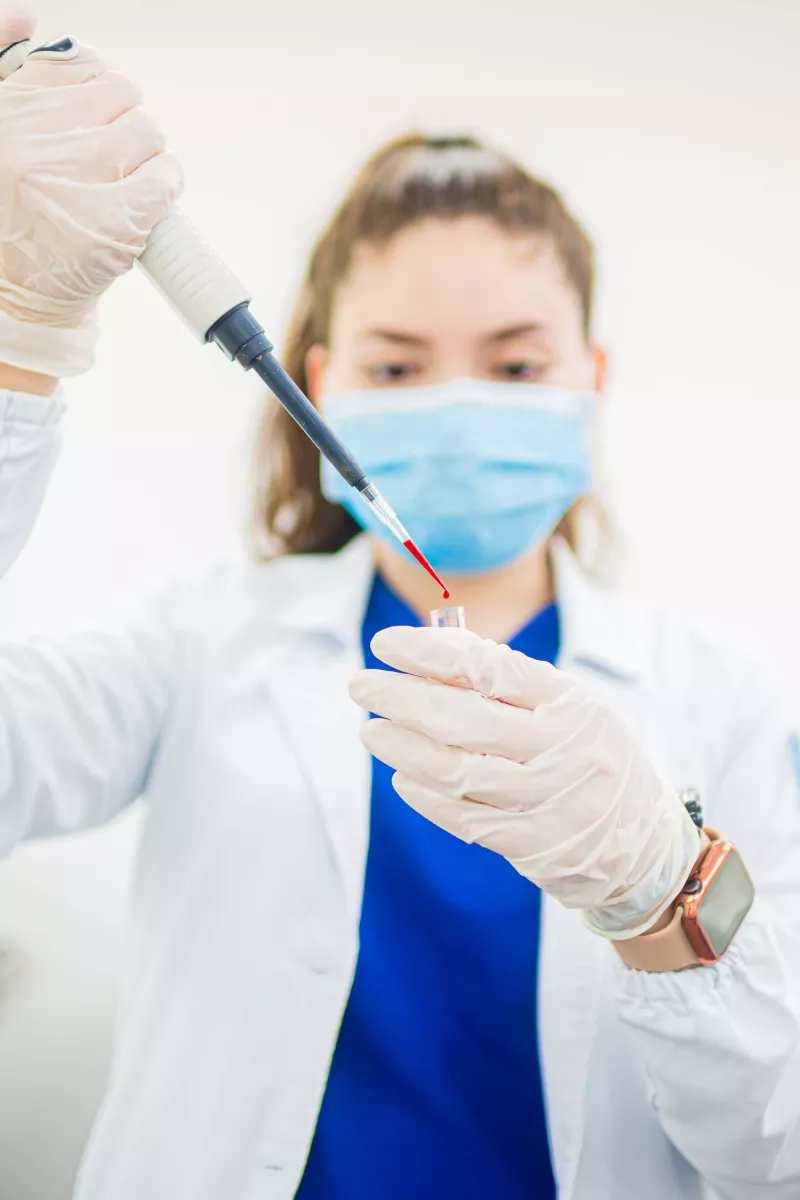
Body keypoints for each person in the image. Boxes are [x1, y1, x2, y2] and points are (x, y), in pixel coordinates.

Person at [1, 12, 799, 1200]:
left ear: (594, 381)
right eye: (395, 365)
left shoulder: (721, 699)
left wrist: (659, 887)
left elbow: (774, 1150)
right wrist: (20, 352)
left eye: (518, 365)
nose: (459, 402)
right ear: (316, 385)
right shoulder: (193, 643)